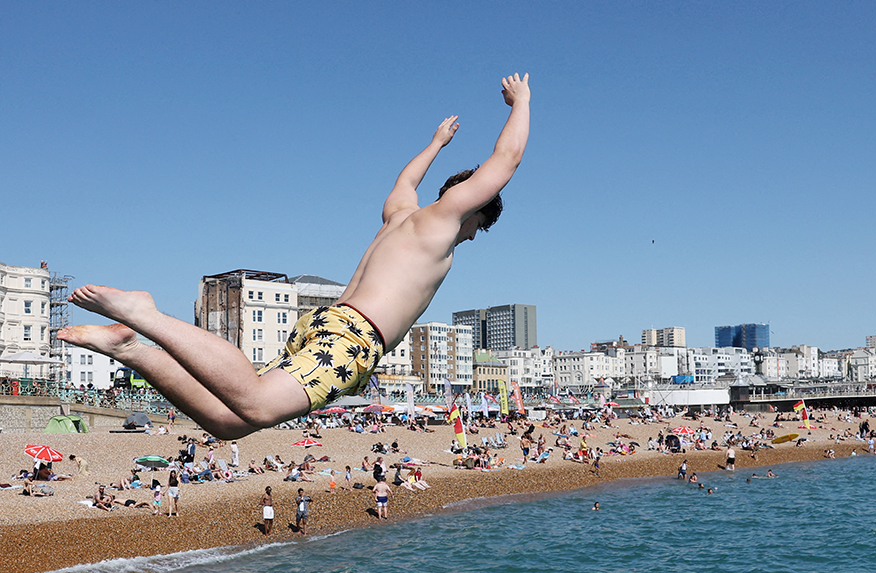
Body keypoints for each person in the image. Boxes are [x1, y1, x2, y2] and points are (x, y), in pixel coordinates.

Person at [56, 73, 532, 441]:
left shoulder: (399, 216)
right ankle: (145, 316)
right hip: (352, 340)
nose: (472, 237)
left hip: (329, 325)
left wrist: (434, 144)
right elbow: (506, 160)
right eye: (479, 226)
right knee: (259, 405)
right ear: (471, 208)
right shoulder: (444, 221)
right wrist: (522, 103)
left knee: (229, 421)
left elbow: (405, 182)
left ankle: (130, 348)